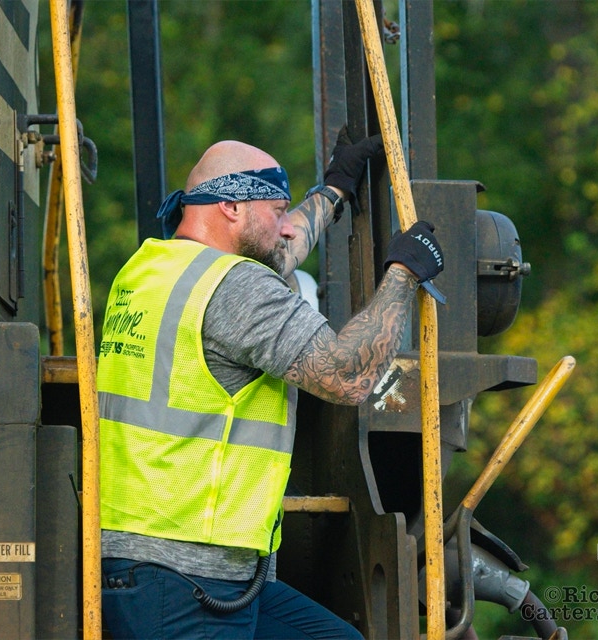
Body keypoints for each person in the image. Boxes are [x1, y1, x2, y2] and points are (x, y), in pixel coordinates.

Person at [97, 128, 444, 639]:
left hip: (164, 564)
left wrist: (333, 191)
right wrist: (403, 273)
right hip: (187, 577)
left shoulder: (150, 269)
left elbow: (280, 247)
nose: (286, 227)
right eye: (278, 210)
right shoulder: (235, 285)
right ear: (231, 207)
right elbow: (348, 377)